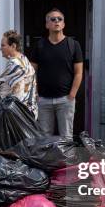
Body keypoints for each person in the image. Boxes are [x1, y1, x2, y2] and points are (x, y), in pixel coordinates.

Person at [30, 8, 83, 138]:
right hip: (43, 100)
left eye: (60, 19)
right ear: (47, 24)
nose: (56, 21)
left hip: (65, 99)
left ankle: (67, 159)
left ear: (63, 24)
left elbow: (79, 73)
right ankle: (46, 159)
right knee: (44, 137)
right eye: (52, 19)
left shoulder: (73, 45)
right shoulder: (39, 45)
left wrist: (72, 95)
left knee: (66, 136)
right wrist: (36, 94)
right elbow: (32, 73)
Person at [0, 30, 38, 118]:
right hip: (28, 111)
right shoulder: (24, 59)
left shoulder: (15, 64)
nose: (0, 48)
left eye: (3, 45)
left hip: (18, 113)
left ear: (13, 46)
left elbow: (7, 91)